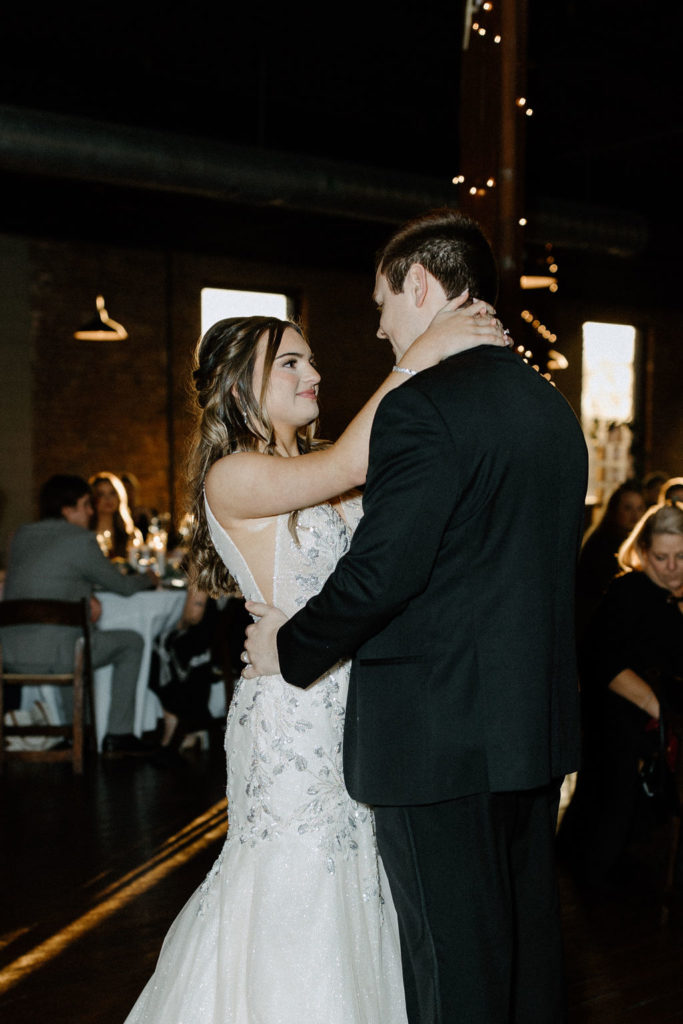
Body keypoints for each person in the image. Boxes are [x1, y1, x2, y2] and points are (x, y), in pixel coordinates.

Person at [244, 208, 589, 1024]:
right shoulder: (549, 408)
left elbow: (382, 574)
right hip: (527, 729)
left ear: (421, 285)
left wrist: (287, 647)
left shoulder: (422, 407)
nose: (377, 328)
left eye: (381, 304)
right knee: (527, 952)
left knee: (450, 963)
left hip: (438, 737)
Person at [123, 293, 506, 1023]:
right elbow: (345, 460)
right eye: (289, 362)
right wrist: (417, 355)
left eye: (311, 359)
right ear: (240, 387)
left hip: (357, 708)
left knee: (358, 879)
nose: (314, 373)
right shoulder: (233, 474)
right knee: (296, 886)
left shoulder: (332, 481)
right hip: (291, 719)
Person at [557, 501, 683, 889]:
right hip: (621, 722)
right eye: (661, 557)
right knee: (608, 822)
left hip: (653, 719)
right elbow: (601, 661)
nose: (671, 567)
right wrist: (662, 712)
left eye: (681, 556)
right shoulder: (629, 590)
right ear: (643, 552)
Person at [1, 474, 158, 755]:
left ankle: (78, 734)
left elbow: (45, 580)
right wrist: (150, 579)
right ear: (66, 509)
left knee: (68, 637)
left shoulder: (20, 535)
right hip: (61, 654)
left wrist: (85, 595)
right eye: (86, 504)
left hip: (11, 653)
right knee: (131, 642)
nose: (91, 511)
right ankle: (118, 734)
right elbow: (121, 586)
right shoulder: (81, 540)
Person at [575, 479, 646, 641]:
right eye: (628, 508)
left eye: (640, 508)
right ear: (614, 511)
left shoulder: (630, 540)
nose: (635, 515)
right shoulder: (604, 542)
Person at [89, 470, 143, 560]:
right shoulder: (86, 533)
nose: (108, 499)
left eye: (112, 493)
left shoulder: (131, 534)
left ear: (119, 496)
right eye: (101, 494)